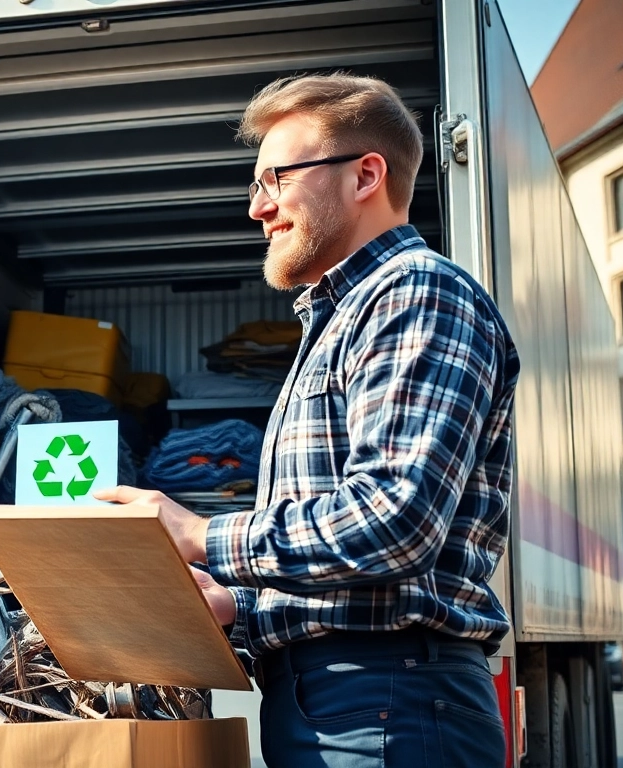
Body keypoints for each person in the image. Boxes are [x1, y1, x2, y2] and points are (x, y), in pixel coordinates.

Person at [97, 74, 519, 767]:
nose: (258, 208)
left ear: (365, 176)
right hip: (339, 700)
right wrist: (238, 607)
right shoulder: (342, 319)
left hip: (384, 702)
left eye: (275, 179)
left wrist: (199, 534)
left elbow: (394, 523)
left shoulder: (416, 294)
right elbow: (360, 581)